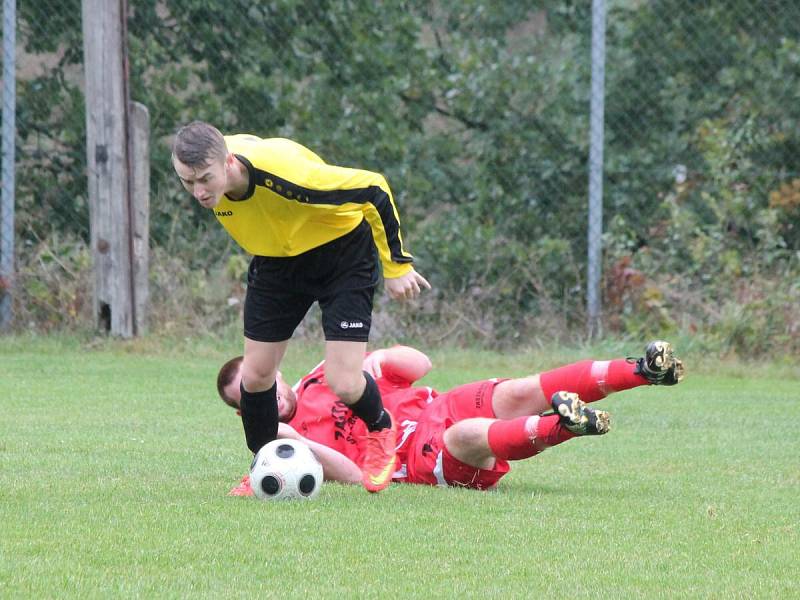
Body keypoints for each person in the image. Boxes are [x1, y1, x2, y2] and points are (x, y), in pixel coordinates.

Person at [172, 121, 430, 492]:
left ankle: (380, 430)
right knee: (256, 377)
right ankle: (263, 465)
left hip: (341, 256)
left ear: (229, 161)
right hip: (276, 263)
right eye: (187, 181)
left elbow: (373, 188)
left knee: (343, 381)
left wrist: (397, 266)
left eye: (205, 180)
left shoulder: (287, 174)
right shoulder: (210, 169)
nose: (197, 192)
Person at [217, 341, 685, 495]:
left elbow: (420, 366)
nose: (263, 396)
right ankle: (564, 425)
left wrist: (379, 359)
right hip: (416, 458)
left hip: (437, 404)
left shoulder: (327, 373)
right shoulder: (283, 448)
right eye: (248, 399)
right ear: (244, 412)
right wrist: (294, 440)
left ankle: (645, 371)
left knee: (523, 388)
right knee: (467, 436)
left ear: (271, 371)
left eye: (259, 382)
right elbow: (360, 476)